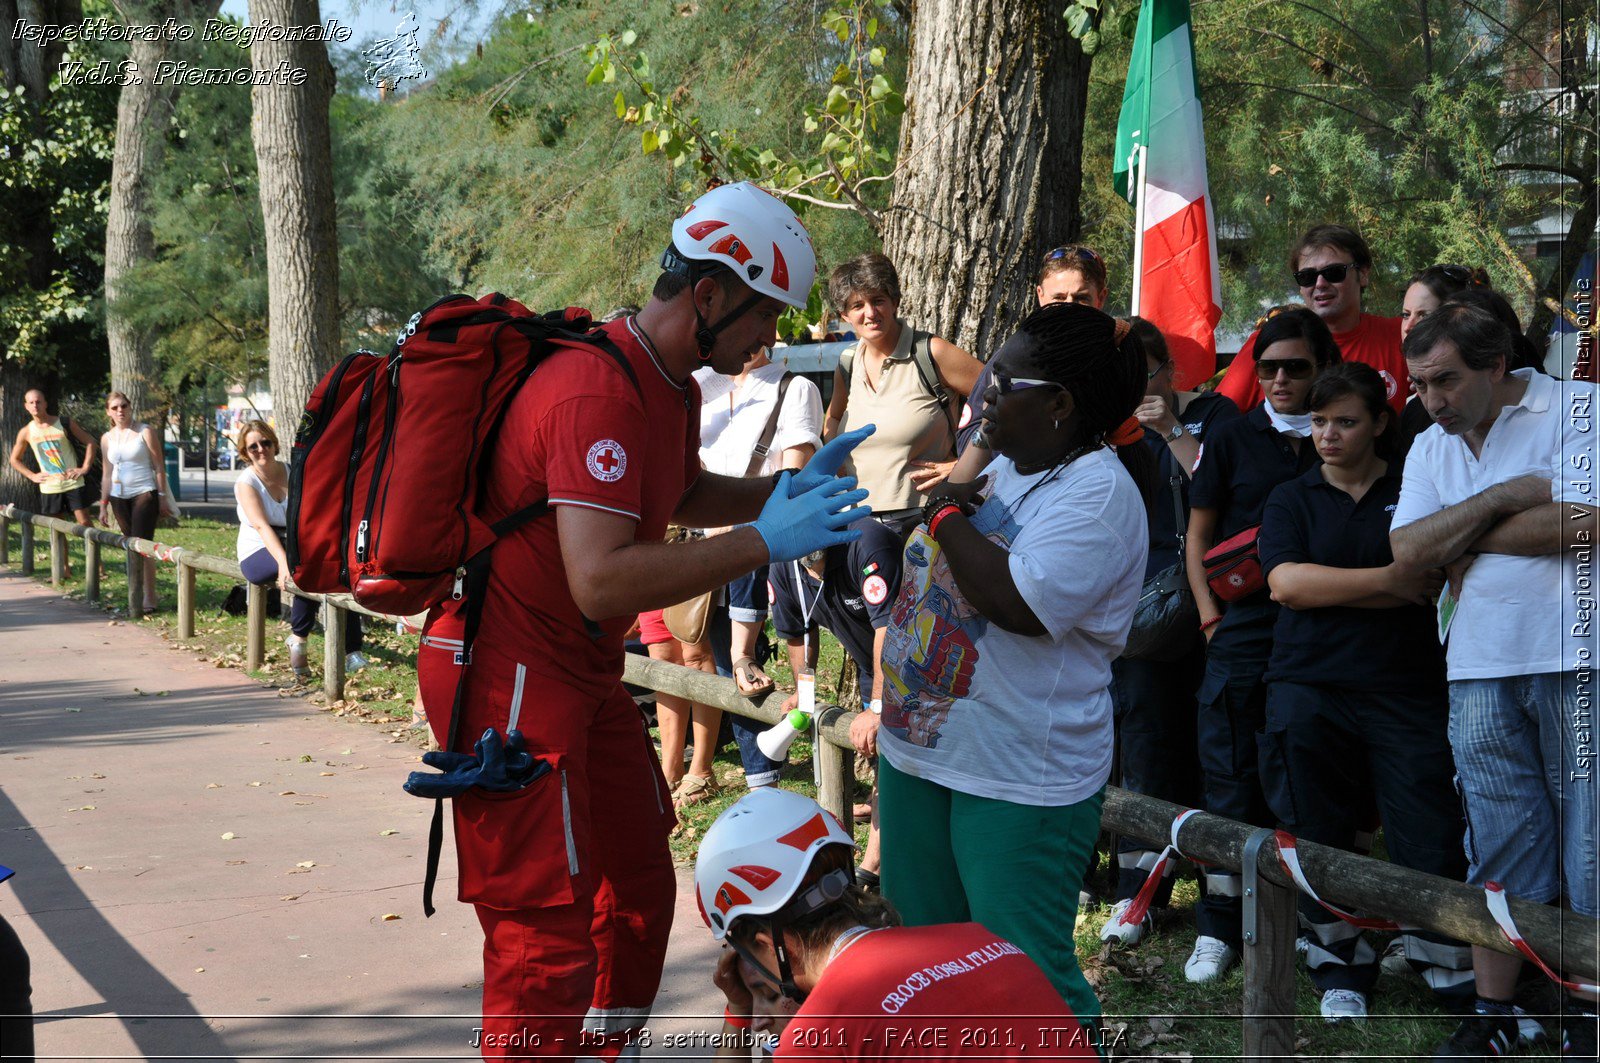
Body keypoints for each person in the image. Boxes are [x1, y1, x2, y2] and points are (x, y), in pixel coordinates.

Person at [408, 181, 875, 1059]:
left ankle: (599, 1050)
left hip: (573, 672)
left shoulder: (664, 382)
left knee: (635, 891)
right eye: (763, 314)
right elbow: (601, 579)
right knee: (541, 929)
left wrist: (782, 489)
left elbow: (675, 489)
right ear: (709, 294)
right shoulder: (598, 391)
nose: (770, 337)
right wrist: (763, 539)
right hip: (508, 671)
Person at [875, 301, 1153, 1028]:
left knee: (1024, 981)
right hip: (921, 756)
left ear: (1059, 404)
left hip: (1018, 778)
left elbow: (1014, 601)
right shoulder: (1003, 462)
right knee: (921, 962)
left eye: (1003, 381)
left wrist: (942, 512)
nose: (985, 392)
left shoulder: (1097, 495)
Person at [1389, 303, 1598, 1060]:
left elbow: (1584, 522)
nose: (1431, 398)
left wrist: (1460, 529)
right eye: (1419, 384)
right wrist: (1508, 496)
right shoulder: (1427, 443)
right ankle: (1495, 1015)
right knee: (1500, 842)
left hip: (1581, 655)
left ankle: (1589, 1017)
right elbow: (1408, 551)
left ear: (1496, 365)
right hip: (1477, 661)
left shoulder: (1578, 404)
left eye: (1445, 380)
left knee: (1591, 842)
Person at [1256, 362, 1472, 1021]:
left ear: (1379, 423)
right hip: (1308, 687)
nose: (1328, 433)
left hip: (1406, 688)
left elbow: (1431, 572)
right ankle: (1339, 966)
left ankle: (1446, 968)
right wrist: (1389, 580)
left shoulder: (1417, 488)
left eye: (1345, 421)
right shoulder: (1291, 498)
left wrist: (1366, 583)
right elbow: (1288, 585)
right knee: (1318, 831)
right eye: (1319, 421)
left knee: (1426, 832)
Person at [696, 788, 1099, 1060]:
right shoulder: (979, 940)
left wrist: (737, 1013)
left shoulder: (823, 1033)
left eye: (746, 954)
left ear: (769, 942)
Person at [1182, 306, 1340, 982]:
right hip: (1240, 629)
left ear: (1321, 369)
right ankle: (1220, 926)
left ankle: (1316, 925)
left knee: (1311, 778)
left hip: (1323, 637)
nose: (1279, 378)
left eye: (1295, 367)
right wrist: (1211, 617)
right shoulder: (1232, 436)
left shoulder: (1344, 435)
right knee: (1229, 773)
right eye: (1268, 366)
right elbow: (1197, 535)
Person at [1098, 318, 1240, 947]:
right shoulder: (1102, 432)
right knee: (1145, 747)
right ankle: (1139, 895)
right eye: (1122, 376)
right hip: (1138, 617)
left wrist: (1170, 429)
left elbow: (1223, 489)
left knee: (1215, 757)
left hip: (1210, 614)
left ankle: (1223, 902)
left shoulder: (1215, 417)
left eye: (1145, 372)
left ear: (1170, 371)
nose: (1136, 387)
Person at [684, 344, 826, 800]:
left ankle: (788, 778)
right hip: (709, 544)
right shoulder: (702, 384)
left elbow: (793, 474)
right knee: (729, 663)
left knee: (776, 660)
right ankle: (760, 783)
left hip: (765, 545)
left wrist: (740, 523)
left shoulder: (793, 386)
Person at [768, 514, 905, 888]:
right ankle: (876, 866)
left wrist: (878, 707)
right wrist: (804, 694)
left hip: (920, 661)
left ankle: (879, 866)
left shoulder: (867, 543)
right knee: (884, 762)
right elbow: (796, 632)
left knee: (905, 760)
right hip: (871, 666)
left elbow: (890, 628)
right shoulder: (784, 564)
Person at [825, 253, 983, 533]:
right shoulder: (847, 363)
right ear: (844, 315)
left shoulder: (931, 353)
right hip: (858, 523)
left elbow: (1003, 398)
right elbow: (833, 417)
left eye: (878, 300)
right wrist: (836, 461)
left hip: (926, 521)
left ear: (895, 302)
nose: (870, 313)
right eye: (858, 305)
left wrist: (963, 466)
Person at [1212, 225, 1406, 414]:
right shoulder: (1268, 345)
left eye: (1333, 273)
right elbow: (1216, 420)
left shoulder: (1401, 336)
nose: (1320, 284)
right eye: (1307, 276)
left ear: (1363, 274)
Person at [952, 245, 1110, 475]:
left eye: (1081, 298)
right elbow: (971, 432)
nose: (1068, 307)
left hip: (1094, 485)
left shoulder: (1120, 358)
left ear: (1101, 298)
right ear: (1040, 296)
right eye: (1058, 297)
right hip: (1018, 488)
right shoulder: (1012, 357)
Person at [233, 420, 366, 682]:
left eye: (265, 443)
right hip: (258, 549)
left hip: (294, 546)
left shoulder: (294, 472)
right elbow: (261, 526)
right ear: (245, 453)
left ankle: (350, 651)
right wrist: (283, 563)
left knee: (333, 570)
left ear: (274, 444)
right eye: (253, 447)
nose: (261, 449)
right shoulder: (246, 483)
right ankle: (300, 638)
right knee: (302, 570)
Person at [98, 391, 175, 613]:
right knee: (131, 545)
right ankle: (136, 590)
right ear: (108, 412)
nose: (120, 411)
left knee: (143, 545)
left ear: (130, 407)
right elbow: (106, 472)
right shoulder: (107, 438)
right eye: (115, 408)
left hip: (144, 492)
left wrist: (161, 498)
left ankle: (150, 596)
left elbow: (159, 467)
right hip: (118, 496)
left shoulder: (145, 431)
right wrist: (103, 505)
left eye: (124, 406)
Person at [10, 388, 97, 530]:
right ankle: (61, 553)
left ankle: (93, 552)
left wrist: (85, 468)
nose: (35, 405)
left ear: (45, 403)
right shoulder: (26, 432)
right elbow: (14, 459)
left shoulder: (63, 422)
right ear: (26, 406)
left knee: (85, 524)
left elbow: (91, 442)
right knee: (57, 530)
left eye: (38, 402)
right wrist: (32, 476)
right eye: (31, 402)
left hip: (73, 482)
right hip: (49, 487)